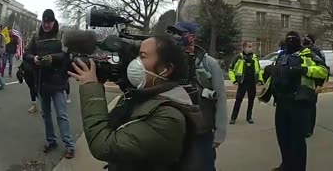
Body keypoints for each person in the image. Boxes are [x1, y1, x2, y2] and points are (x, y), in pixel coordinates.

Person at [68, 35, 203, 170]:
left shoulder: (168, 118)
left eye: (142, 56)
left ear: (166, 70)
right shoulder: (145, 97)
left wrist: (91, 87)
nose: (135, 62)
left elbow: (103, 145)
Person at [167, 21, 227, 171]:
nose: (175, 37)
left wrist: (220, 132)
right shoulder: (168, 62)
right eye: (173, 33)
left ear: (192, 37)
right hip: (176, 131)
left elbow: (220, 97)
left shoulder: (209, 64)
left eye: (180, 33)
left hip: (202, 132)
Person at [270, 31, 328, 171]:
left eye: (293, 39)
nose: (290, 42)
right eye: (288, 39)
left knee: (297, 141)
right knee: (283, 138)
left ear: (299, 41)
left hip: (299, 102)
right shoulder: (282, 55)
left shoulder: (308, 54)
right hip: (282, 102)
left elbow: (323, 70)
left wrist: (303, 70)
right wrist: (268, 73)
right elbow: (274, 75)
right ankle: (286, 165)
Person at [23, 9, 75, 158]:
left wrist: (53, 58)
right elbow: (26, 54)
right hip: (41, 81)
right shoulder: (36, 37)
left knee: (61, 114)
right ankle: (51, 140)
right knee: (46, 114)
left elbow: (68, 56)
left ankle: (69, 144)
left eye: (49, 22)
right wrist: (33, 59)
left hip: (58, 81)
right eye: (44, 22)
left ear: (54, 21)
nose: (46, 25)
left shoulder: (61, 36)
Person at [229, 41, 263, 125]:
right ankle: (233, 118)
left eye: (251, 46)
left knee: (251, 100)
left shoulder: (255, 58)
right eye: (249, 46)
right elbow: (231, 69)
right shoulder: (238, 57)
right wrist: (234, 80)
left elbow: (259, 70)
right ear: (244, 48)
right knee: (238, 100)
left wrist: (260, 80)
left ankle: (249, 117)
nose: (251, 48)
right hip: (242, 82)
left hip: (251, 82)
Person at [301, 33, 326, 137]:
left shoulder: (316, 52)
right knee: (303, 106)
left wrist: (319, 85)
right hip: (304, 84)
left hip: (314, 84)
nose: (304, 40)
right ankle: (303, 126)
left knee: (311, 106)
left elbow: (323, 69)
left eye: (306, 38)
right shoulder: (302, 50)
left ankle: (309, 129)